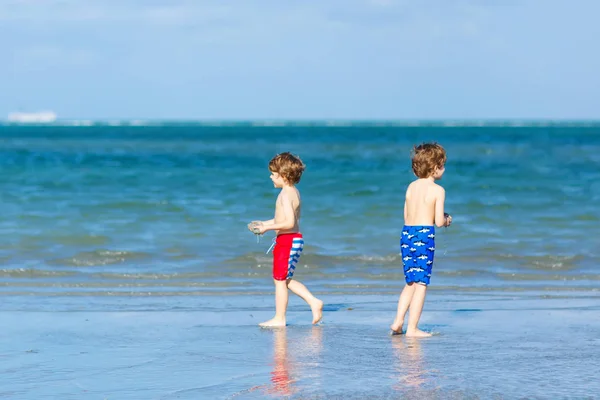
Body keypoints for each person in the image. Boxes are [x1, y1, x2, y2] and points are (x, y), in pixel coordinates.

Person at [248, 152, 323, 327]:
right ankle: (313, 302)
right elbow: (282, 220)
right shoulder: (292, 192)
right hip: (290, 239)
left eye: (273, 174)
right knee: (282, 279)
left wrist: (267, 228)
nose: (270, 177)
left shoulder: (285, 195)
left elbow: (288, 223)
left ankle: (280, 318)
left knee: (280, 281)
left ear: (283, 176)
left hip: (288, 240)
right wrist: (264, 223)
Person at [390, 143, 452, 337]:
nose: (444, 169)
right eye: (442, 165)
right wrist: (447, 219)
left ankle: (398, 321)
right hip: (424, 235)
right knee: (422, 283)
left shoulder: (411, 187)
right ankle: (413, 328)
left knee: (410, 282)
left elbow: (406, 214)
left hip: (407, 233)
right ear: (434, 168)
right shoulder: (438, 190)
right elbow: (439, 221)